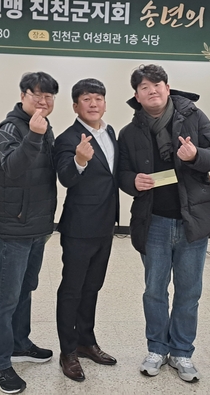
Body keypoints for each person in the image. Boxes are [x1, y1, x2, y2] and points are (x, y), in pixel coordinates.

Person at [118, 64, 210, 383]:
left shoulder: (194, 117)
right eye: (145, 87)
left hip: (192, 220)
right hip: (153, 222)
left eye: (157, 84)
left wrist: (195, 156)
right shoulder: (129, 132)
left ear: (167, 87)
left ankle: (181, 352)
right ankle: (156, 348)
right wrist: (132, 181)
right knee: (154, 290)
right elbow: (121, 172)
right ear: (137, 95)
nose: (152, 90)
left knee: (189, 291)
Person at [0, 72, 59, 394]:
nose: (43, 101)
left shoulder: (44, 126)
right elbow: (12, 169)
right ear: (23, 96)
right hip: (12, 227)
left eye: (49, 96)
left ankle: (19, 343)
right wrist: (34, 136)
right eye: (36, 95)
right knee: (6, 297)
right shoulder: (10, 128)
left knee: (26, 288)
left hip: (38, 225)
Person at [53, 79, 119, 382]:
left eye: (98, 98)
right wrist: (79, 160)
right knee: (72, 290)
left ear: (105, 103)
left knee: (93, 287)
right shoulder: (67, 138)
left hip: (105, 225)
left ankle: (85, 341)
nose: (93, 104)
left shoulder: (110, 132)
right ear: (75, 106)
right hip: (79, 227)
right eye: (86, 99)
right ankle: (68, 351)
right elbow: (66, 178)